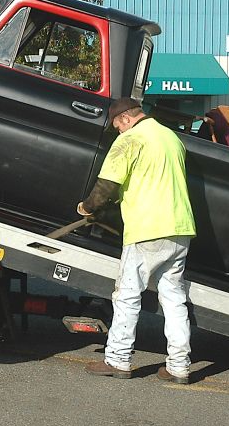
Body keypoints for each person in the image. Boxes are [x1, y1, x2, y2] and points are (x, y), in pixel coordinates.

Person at [77, 97, 197, 384]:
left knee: (127, 294)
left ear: (127, 119)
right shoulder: (170, 138)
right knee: (174, 298)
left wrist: (88, 208)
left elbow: (107, 186)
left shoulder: (130, 140)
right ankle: (179, 367)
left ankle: (118, 360)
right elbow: (150, 178)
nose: (118, 131)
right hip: (180, 228)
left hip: (147, 229)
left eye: (117, 125)